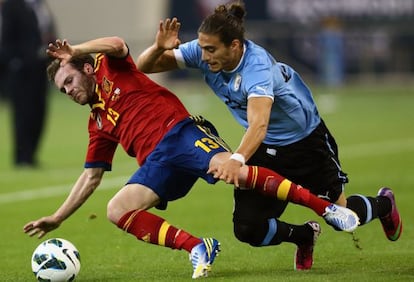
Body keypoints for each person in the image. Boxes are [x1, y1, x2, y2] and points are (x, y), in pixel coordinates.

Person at [22, 36, 359, 278]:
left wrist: (78, 48)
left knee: (237, 173)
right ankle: (198, 247)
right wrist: (58, 217)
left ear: (86, 68)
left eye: (69, 81)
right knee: (117, 209)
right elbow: (90, 177)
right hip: (157, 164)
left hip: (182, 134)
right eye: (62, 90)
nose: (68, 91)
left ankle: (326, 208)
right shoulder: (97, 123)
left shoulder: (112, 68)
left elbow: (117, 43)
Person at [136, 1, 403, 271]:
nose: (203, 56)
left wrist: (237, 159)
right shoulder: (204, 51)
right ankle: (304, 236)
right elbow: (144, 67)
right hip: (265, 147)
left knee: (342, 217)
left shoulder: (257, 69)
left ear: (235, 46)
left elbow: (259, 124)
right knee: (247, 228)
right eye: (202, 48)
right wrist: (159, 46)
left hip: (305, 144)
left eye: (211, 49)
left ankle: (383, 204)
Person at [0, 0, 56, 167]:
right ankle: (22, 157)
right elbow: (7, 35)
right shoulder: (12, 5)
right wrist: (15, 62)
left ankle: (31, 154)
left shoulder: (41, 5)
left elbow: (48, 30)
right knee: (23, 114)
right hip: (21, 70)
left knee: (39, 112)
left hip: (41, 67)